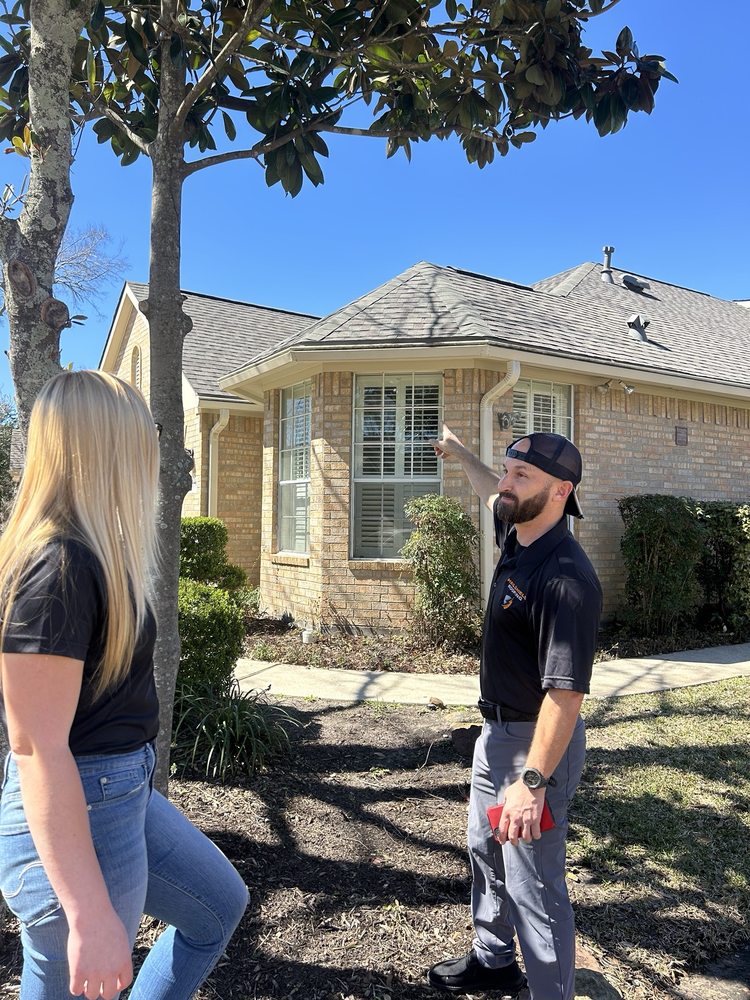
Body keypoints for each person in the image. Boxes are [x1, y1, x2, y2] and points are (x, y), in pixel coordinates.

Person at [0, 370, 248, 1000]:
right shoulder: (56, 568)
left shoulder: (88, 552)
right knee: (76, 967)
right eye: (143, 438)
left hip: (120, 790)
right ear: (106, 447)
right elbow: (35, 748)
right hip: (79, 800)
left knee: (217, 906)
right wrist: (84, 911)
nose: (153, 454)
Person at [427, 427, 602, 1000]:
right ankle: (494, 959)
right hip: (495, 732)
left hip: (535, 746)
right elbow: (489, 492)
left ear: (560, 492)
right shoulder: (520, 531)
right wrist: (461, 454)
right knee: (485, 849)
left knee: (533, 882)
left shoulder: (565, 577)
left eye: (521, 476)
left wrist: (532, 782)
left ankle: (553, 992)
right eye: (507, 470)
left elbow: (566, 696)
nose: (505, 484)